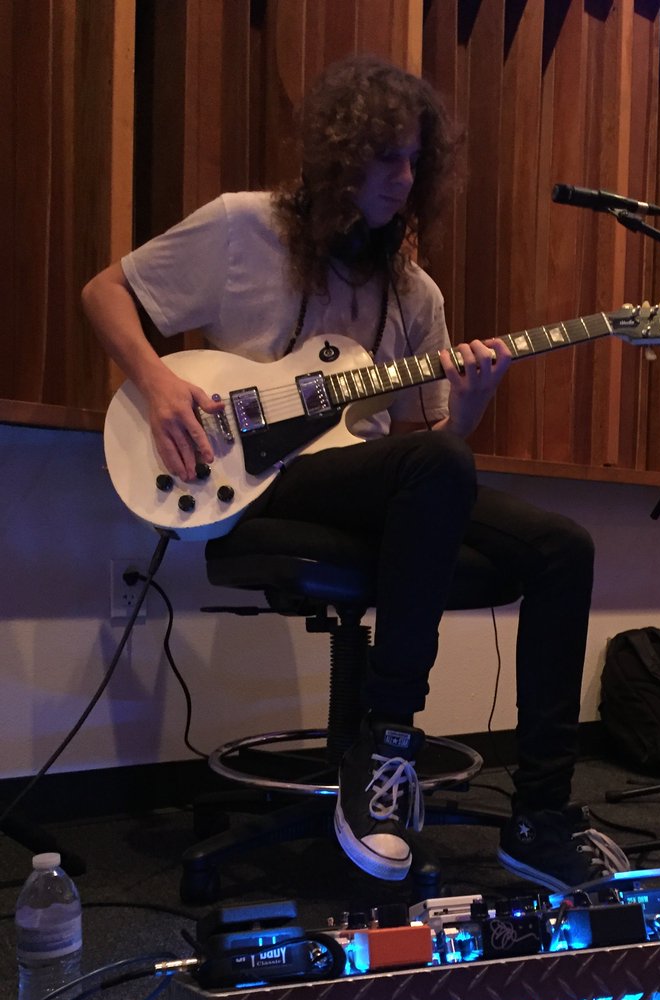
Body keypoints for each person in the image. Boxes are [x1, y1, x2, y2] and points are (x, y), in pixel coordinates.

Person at [82, 55, 629, 893]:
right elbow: (103, 293)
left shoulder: (415, 296)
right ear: (338, 159)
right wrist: (157, 385)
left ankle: (543, 816)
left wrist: (473, 403)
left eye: (416, 161)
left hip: (372, 483)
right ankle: (389, 741)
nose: (403, 181)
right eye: (385, 160)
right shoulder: (242, 228)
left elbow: (432, 447)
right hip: (267, 483)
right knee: (438, 465)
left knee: (563, 546)